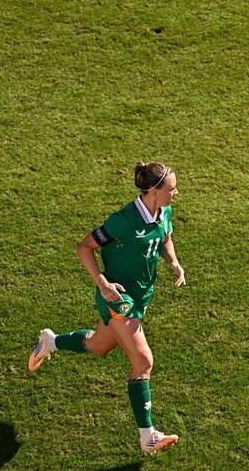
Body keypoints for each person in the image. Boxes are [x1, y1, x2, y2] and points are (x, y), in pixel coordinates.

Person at [28, 161, 186, 455]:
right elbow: (84, 247)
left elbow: (165, 238)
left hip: (142, 295)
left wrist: (173, 262)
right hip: (118, 297)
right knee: (143, 361)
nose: (176, 192)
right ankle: (148, 436)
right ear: (152, 191)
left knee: (99, 346)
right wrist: (102, 283)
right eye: (171, 188)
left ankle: (50, 341)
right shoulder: (124, 220)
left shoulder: (163, 210)